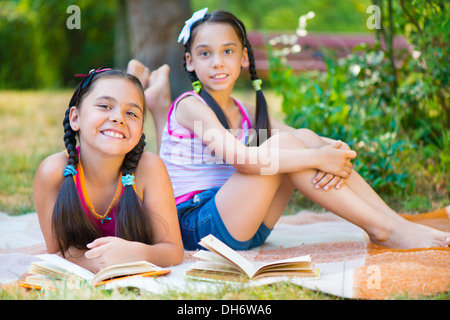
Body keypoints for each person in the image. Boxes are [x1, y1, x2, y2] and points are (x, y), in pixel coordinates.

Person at [134, 8, 450, 251]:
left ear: (244, 57)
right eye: (205, 54)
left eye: (228, 51)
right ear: (190, 62)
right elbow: (242, 160)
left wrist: (334, 150)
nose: (217, 62)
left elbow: (303, 139)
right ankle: (385, 229)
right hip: (198, 226)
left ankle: (392, 222)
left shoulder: (244, 112)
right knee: (291, 145)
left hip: (247, 224)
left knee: (304, 139)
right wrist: (316, 157)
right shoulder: (191, 107)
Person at [34, 67, 183, 273]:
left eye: (131, 113)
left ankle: (157, 99)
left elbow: (173, 251)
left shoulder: (149, 169)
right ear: (75, 118)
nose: (118, 118)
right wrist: (107, 261)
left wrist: (136, 254)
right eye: (105, 106)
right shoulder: (52, 173)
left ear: (140, 131)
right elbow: (59, 253)